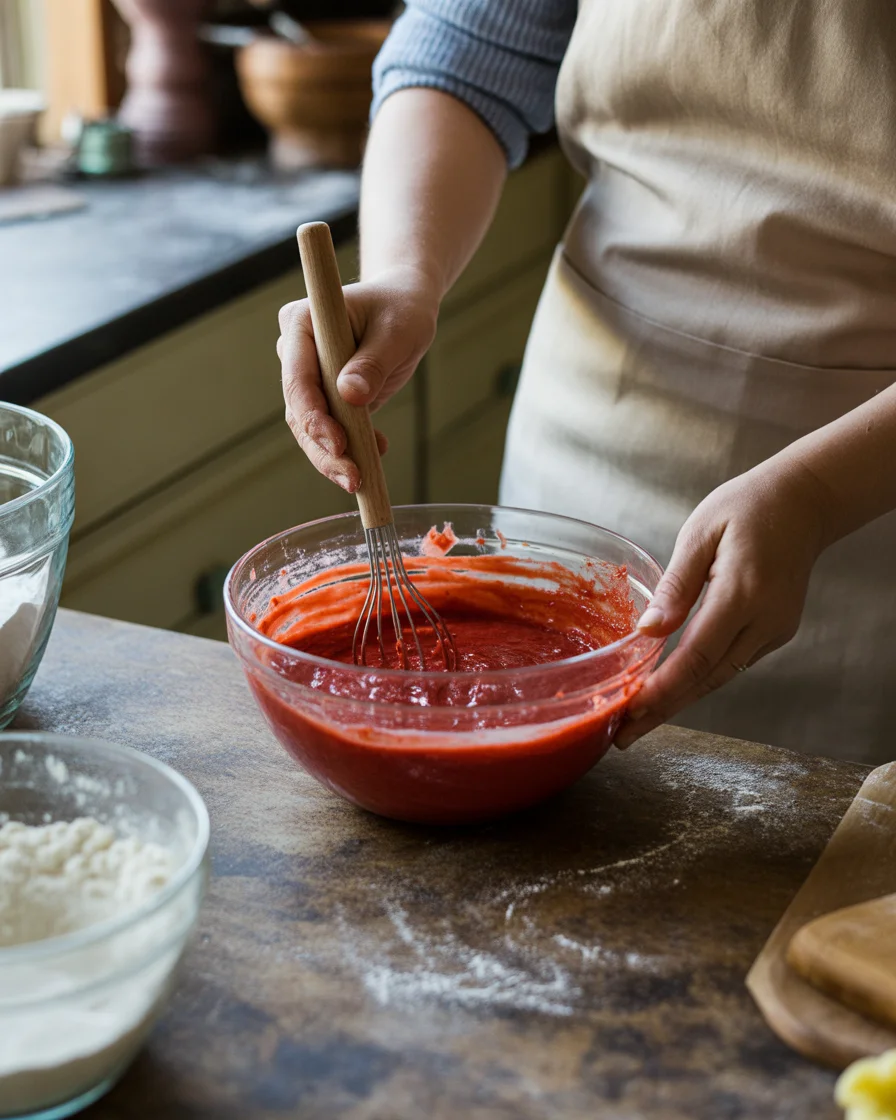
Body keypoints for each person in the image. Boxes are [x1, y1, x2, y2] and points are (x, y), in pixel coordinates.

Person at [277, 1, 896, 764]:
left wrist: (822, 492)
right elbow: (469, 50)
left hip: (870, 493)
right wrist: (408, 272)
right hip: (593, 413)